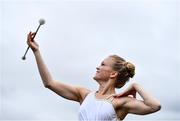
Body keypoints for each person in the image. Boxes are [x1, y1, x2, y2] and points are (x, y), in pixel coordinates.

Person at [27, 31, 161, 121]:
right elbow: (49, 83)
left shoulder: (120, 102)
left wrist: (135, 86)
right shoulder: (84, 95)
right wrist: (36, 51)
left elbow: (154, 106)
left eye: (103, 64)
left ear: (113, 73)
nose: (98, 67)